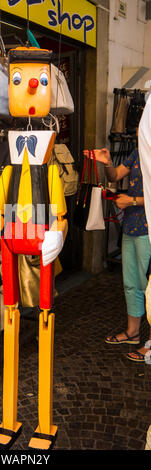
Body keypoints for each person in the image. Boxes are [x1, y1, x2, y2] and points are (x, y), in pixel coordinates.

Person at [84, 137, 151, 363]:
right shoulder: (136, 153)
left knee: (149, 288)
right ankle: (132, 333)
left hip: (148, 231)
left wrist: (132, 201)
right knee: (131, 283)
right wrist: (107, 162)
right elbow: (114, 177)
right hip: (131, 227)